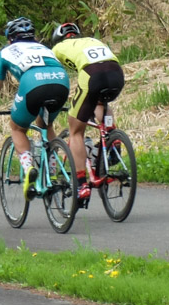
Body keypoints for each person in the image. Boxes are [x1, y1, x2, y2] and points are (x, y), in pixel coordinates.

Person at [0, 18, 70, 196]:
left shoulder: (6, 52)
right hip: (61, 80)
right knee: (46, 125)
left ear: (10, 38)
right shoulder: (45, 48)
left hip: (33, 82)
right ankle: (51, 169)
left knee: (17, 128)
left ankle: (28, 169)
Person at [50, 22, 125, 203]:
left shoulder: (57, 48)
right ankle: (111, 138)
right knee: (101, 102)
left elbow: (54, 77)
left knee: (75, 130)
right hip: (116, 73)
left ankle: (82, 184)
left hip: (92, 74)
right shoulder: (91, 40)